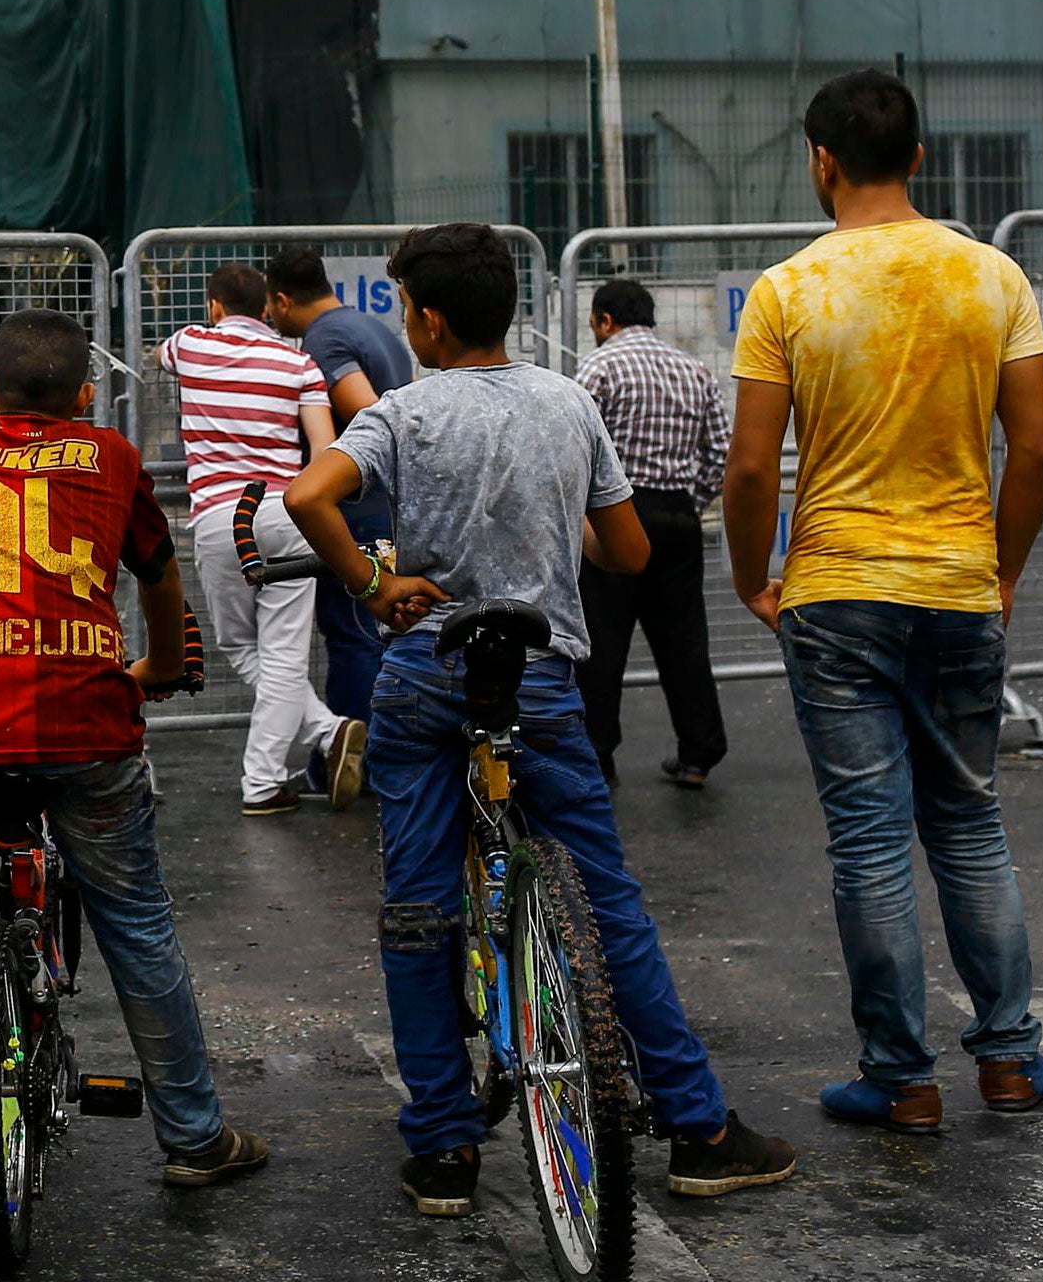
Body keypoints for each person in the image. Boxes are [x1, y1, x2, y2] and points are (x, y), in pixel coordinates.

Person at [284, 224, 796, 1214]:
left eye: (403, 310)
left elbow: (310, 494)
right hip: (537, 675)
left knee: (417, 905)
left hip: (426, 669)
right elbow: (626, 552)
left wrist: (373, 580)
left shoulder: (402, 410)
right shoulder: (568, 402)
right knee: (606, 903)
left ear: (427, 320)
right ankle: (698, 1127)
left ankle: (440, 1149)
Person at [0, 310, 268, 1195]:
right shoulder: (113, 458)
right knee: (138, 921)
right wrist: (164, 668)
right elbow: (158, 572)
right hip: (86, 724)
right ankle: (193, 1136)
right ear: (84, 395)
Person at [722, 68, 1043, 1134]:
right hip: (957, 587)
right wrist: (996, 571)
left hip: (834, 590)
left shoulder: (785, 291)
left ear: (817, 161)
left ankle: (899, 1075)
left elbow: (745, 471)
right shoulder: (991, 275)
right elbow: (1039, 445)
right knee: (967, 825)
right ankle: (1008, 1061)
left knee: (867, 841)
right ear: (919, 156)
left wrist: (748, 578)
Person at [158, 260, 360, 816]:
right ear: (269, 309)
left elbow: (160, 356)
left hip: (221, 517)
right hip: (287, 513)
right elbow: (324, 451)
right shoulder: (299, 363)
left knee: (238, 645)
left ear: (216, 307)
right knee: (285, 652)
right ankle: (322, 732)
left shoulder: (191, 345)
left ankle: (267, 779)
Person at [573, 276, 731, 789]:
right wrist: (693, 501)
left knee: (601, 637)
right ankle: (698, 753)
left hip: (616, 513)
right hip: (678, 515)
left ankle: (598, 755)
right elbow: (719, 452)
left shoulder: (599, 366)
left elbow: (578, 446)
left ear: (604, 320)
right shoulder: (693, 369)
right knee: (684, 638)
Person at [268, 244, 414, 734]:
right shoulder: (373, 327)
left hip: (355, 511)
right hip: (387, 506)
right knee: (376, 635)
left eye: (271, 307)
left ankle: (358, 758)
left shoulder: (325, 338)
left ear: (283, 300)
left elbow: (370, 410)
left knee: (353, 636)